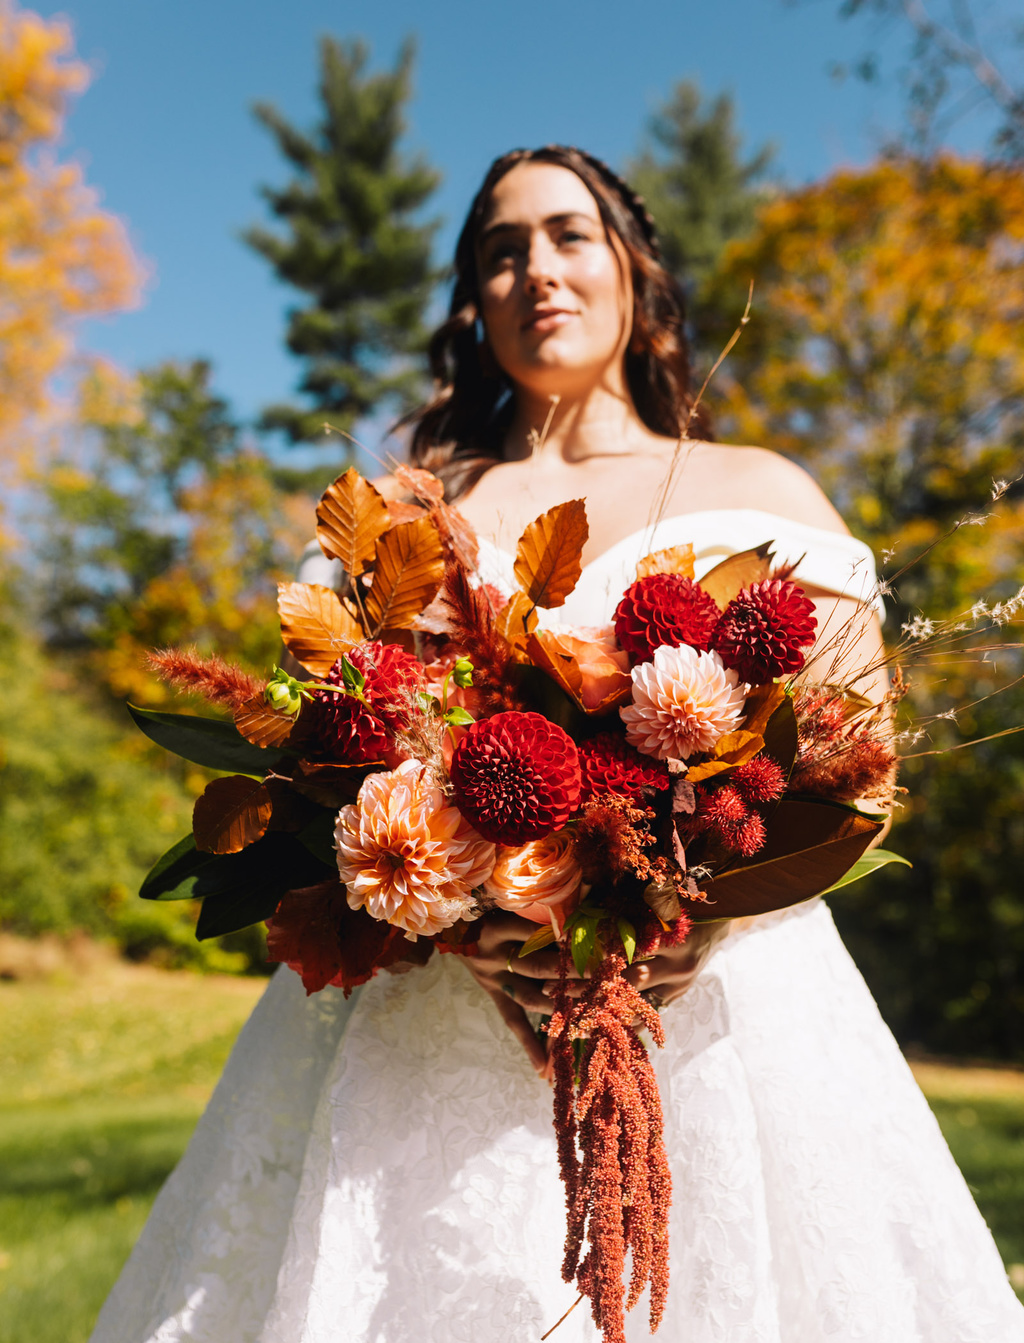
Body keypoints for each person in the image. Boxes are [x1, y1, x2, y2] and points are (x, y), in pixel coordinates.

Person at [90, 147, 1024, 1343]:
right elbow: (320, 750)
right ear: (474, 301)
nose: (537, 267)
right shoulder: (407, 512)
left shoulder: (765, 488)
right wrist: (457, 915)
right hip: (433, 1022)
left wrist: (694, 915)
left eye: (569, 234)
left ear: (633, 271)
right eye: (501, 248)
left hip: (716, 1016)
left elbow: (859, 757)